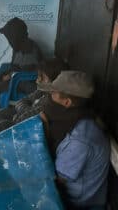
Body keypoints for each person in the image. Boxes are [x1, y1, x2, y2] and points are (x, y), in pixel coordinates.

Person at [38, 71, 110, 209]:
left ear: (67, 102)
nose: (49, 97)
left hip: (80, 204)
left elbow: (56, 181)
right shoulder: (76, 118)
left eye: (53, 93)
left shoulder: (79, 140)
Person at [0, 17, 43, 134]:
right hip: (14, 77)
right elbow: (14, 66)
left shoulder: (30, 48)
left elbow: (28, 70)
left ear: (16, 35)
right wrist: (4, 75)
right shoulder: (18, 46)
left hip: (24, 83)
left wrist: (11, 75)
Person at [0, 58, 68, 133]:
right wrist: (24, 110)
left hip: (31, 129)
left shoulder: (52, 99)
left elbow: (28, 118)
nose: (38, 80)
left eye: (42, 77)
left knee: (3, 125)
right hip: (23, 116)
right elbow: (22, 101)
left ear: (55, 79)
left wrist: (19, 114)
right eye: (39, 76)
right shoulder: (42, 91)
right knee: (2, 112)